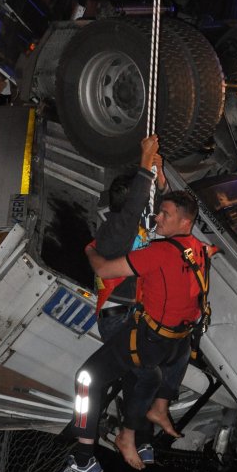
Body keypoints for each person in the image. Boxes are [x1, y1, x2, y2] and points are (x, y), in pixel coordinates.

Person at [53, 191, 215, 472]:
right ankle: (145, 439)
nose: (158, 218)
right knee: (134, 376)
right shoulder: (199, 250)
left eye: (166, 214)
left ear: (186, 221)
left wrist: (90, 249)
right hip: (176, 343)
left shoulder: (160, 253)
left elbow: (103, 269)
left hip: (149, 342)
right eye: (159, 212)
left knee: (87, 379)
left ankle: (85, 458)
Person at [94, 135, 167, 342]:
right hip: (116, 318)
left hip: (129, 312)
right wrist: (145, 159)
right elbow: (137, 202)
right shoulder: (114, 231)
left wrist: (158, 172)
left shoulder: (137, 225)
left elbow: (159, 204)